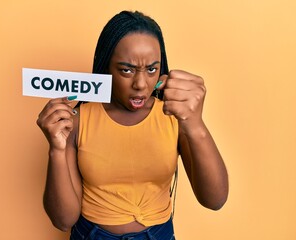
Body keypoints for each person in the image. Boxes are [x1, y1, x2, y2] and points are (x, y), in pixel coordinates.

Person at [37, 10, 229, 240]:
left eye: (151, 69)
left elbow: (215, 200)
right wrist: (56, 149)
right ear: (107, 67)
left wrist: (195, 125)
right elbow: (63, 220)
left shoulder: (174, 116)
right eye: (126, 70)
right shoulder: (76, 119)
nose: (140, 84)